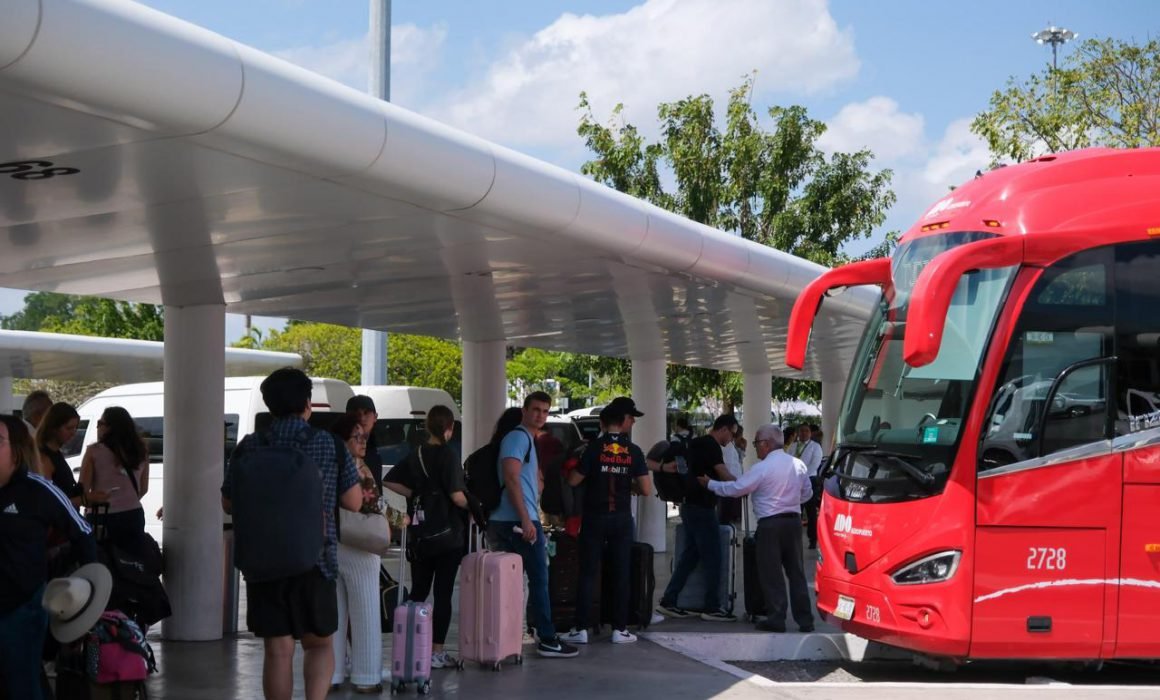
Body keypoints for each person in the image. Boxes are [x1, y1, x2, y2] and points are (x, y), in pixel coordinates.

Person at [221, 368, 362, 700]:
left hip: (263, 563)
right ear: (307, 403)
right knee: (319, 644)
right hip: (316, 560)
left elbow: (228, 503)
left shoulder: (249, 446)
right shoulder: (328, 443)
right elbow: (353, 502)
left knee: (278, 649)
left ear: (270, 406)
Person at [0, 415, 97, 700]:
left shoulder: (38, 490)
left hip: (23, 608)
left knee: (23, 686)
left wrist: (88, 590)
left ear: (17, 450)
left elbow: (83, 532)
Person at [486, 392, 578, 659]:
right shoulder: (518, 437)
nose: (540, 415)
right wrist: (527, 519)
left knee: (516, 583)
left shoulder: (525, 440)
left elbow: (523, 480)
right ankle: (547, 638)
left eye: (545, 411)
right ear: (524, 410)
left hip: (509, 519)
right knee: (539, 578)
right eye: (536, 409)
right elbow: (511, 479)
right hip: (516, 521)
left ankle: (510, 636)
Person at [699, 424, 815, 633]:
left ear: (766, 444)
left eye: (756, 443)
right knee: (796, 572)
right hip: (794, 522)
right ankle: (805, 619)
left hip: (770, 523)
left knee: (771, 573)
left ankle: (777, 618)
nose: (755, 448)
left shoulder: (762, 468)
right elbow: (807, 494)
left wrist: (710, 484)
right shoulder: (798, 465)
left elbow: (736, 488)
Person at [385, 405, 471, 670]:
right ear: (450, 429)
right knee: (442, 594)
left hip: (421, 536)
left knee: (419, 590)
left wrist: (417, 492)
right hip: (447, 535)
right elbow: (457, 496)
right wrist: (474, 506)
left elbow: (389, 481)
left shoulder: (417, 454)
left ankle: (409, 644)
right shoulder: (448, 455)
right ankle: (435, 652)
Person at [561, 398, 652, 645]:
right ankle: (619, 629)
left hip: (593, 517)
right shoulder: (634, 451)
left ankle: (580, 628)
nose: (632, 422)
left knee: (588, 572)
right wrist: (626, 483)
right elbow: (646, 489)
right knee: (621, 572)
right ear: (622, 421)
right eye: (631, 418)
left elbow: (573, 481)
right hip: (621, 518)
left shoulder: (592, 448)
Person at [656, 413, 738, 622]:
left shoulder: (694, 443)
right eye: (731, 434)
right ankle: (712, 606)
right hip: (702, 508)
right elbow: (723, 474)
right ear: (724, 429)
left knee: (690, 557)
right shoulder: (711, 445)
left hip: (689, 505)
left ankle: (669, 600)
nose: (731, 440)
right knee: (713, 557)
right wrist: (745, 484)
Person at [327, 414, 384, 693]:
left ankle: (333, 673)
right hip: (361, 545)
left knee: (334, 614)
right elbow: (372, 506)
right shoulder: (358, 469)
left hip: (331, 541)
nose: (363, 442)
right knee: (366, 611)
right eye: (357, 437)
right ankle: (366, 676)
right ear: (343, 440)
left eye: (364, 437)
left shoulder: (326, 464)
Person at [79, 406, 149, 554]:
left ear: (110, 427)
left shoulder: (94, 451)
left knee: (103, 561)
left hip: (102, 516)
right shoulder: (140, 450)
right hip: (133, 514)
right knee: (132, 562)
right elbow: (143, 488)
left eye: (100, 423)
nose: (97, 427)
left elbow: (83, 490)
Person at [35, 403, 83, 507]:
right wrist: (83, 500)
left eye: (75, 428)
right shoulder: (44, 458)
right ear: (54, 428)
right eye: (69, 428)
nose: (73, 433)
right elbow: (47, 502)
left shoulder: (56, 453)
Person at [788, 424, 823, 549]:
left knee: (811, 511)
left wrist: (803, 477)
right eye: (801, 431)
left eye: (806, 431)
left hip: (810, 480)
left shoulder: (815, 447)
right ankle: (793, 538)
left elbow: (815, 464)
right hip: (795, 481)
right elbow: (788, 462)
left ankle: (813, 539)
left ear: (810, 433)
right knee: (796, 510)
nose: (803, 433)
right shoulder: (793, 446)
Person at [346, 395, 383, 492]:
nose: (362, 418)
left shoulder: (378, 448)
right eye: (356, 414)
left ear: (375, 417)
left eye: (366, 413)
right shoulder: (339, 449)